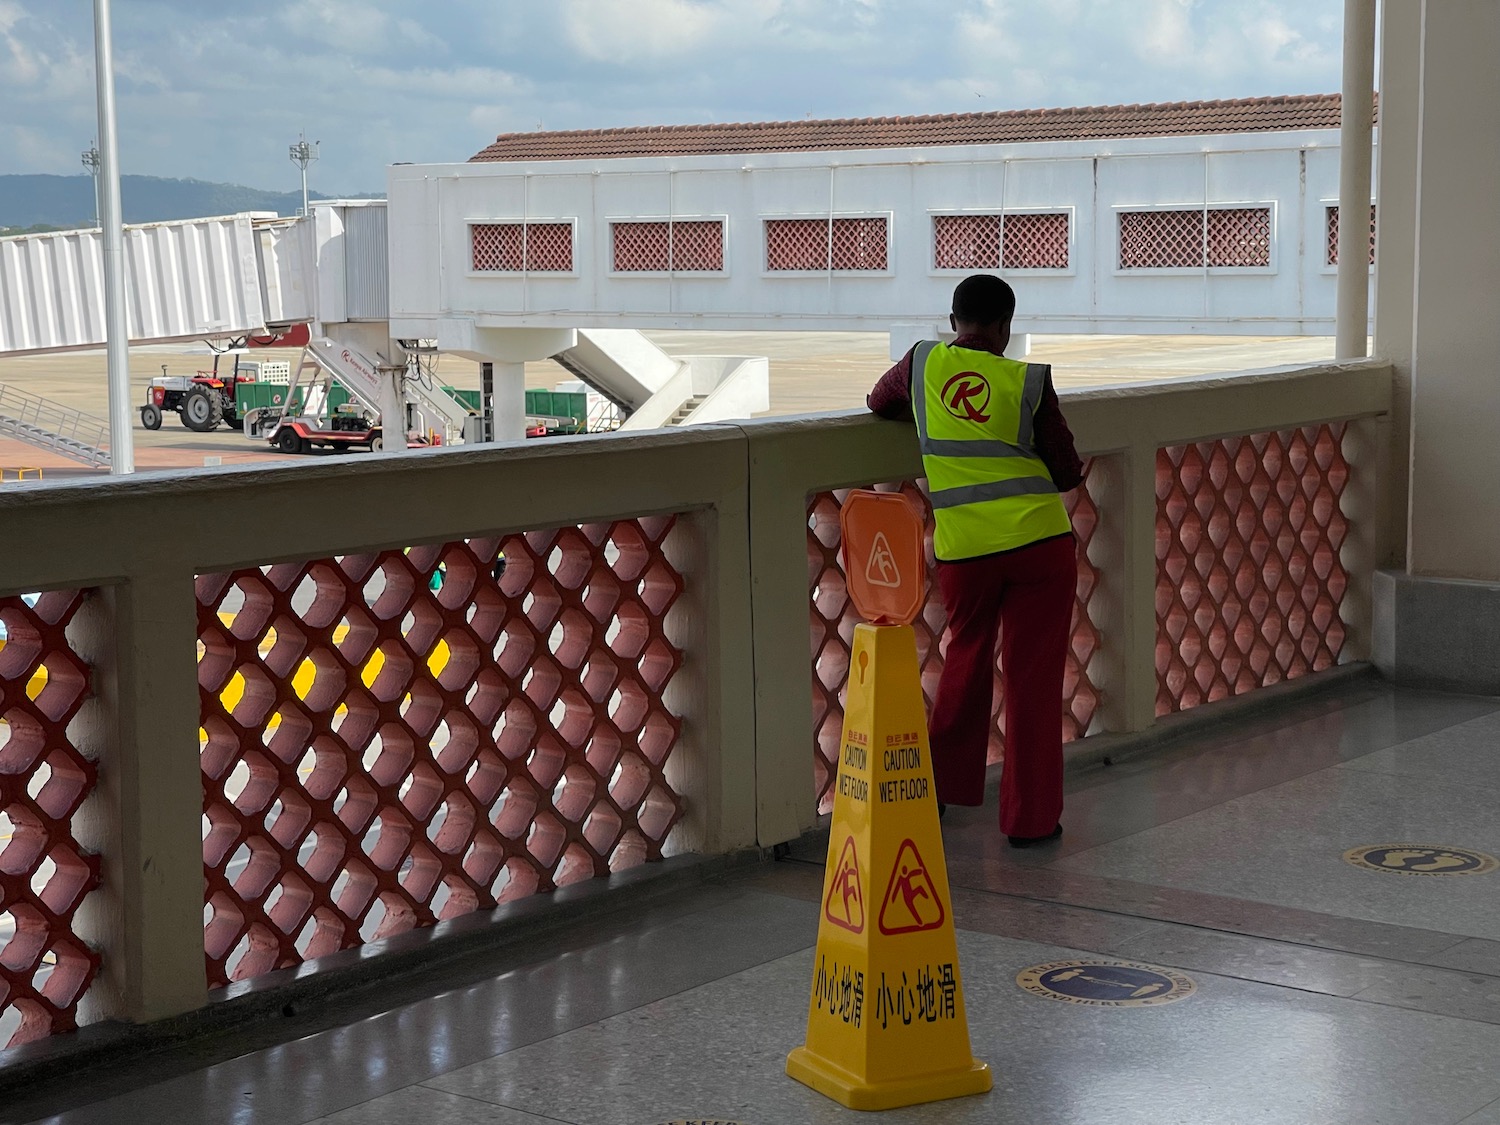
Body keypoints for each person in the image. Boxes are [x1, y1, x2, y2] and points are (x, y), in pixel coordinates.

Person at [867, 274, 1084, 847]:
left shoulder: (920, 365)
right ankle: (1030, 821)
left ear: (953, 319)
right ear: (1007, 328)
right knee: (1033, 683)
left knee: (963, 665)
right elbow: (1064, 468)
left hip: (966, 553)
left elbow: (878, 402)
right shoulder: (1028, 380)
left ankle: (936, 793)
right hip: (1040, 546)